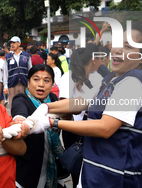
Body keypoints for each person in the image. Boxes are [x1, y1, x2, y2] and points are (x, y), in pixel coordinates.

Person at [29, 22, 142, 188]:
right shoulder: (113, 79)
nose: (118, 50)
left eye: (128, 47)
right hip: (97, 170)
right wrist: (47, 107)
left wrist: (52, 122)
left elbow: (106, 127)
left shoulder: (133, 81)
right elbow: (83, 102)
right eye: (119, 43)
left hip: (113, 178)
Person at [58, 43, 104, 188]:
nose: (102, 60)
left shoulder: (97, 77)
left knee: (90, 171)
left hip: (91, 129)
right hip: (73, 130)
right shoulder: (69, 77)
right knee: (77, 168)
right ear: (92, 60)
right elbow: (65, 105)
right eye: (99, 58)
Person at [11, 64, 65, 188]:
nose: (41, 84)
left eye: (46, 81)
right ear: (28, 82)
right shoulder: (21, 99)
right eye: (36, 79)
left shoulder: (53, 99)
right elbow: (19, 116)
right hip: (30, 166)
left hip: (53, 161)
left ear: (52, 84)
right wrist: (20, 123)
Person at [3, 36, 32, 108]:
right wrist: (5, 86)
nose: (12, 44)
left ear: (19, 43)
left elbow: (30, 70)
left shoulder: (27, 56)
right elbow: (5, 72)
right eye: (11, 43)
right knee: (13, 104)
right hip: (12, 84)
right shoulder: (8, 57)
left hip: (24, 84)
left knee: (24, 104)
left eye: (14, 42)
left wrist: (30, 83)